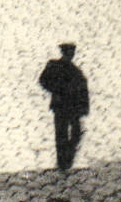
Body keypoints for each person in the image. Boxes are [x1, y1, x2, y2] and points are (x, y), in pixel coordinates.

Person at [38, 43, 89, 171]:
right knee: (62, 134)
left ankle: (65, 158)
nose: (71, 55)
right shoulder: (55, 66)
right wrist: (57, 90)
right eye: (69, 53)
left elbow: (83, 89)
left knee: (73, 133)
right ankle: (63, 161)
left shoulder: (75, 71)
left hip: (70, 107)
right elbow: (43, 80)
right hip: (62, 105)